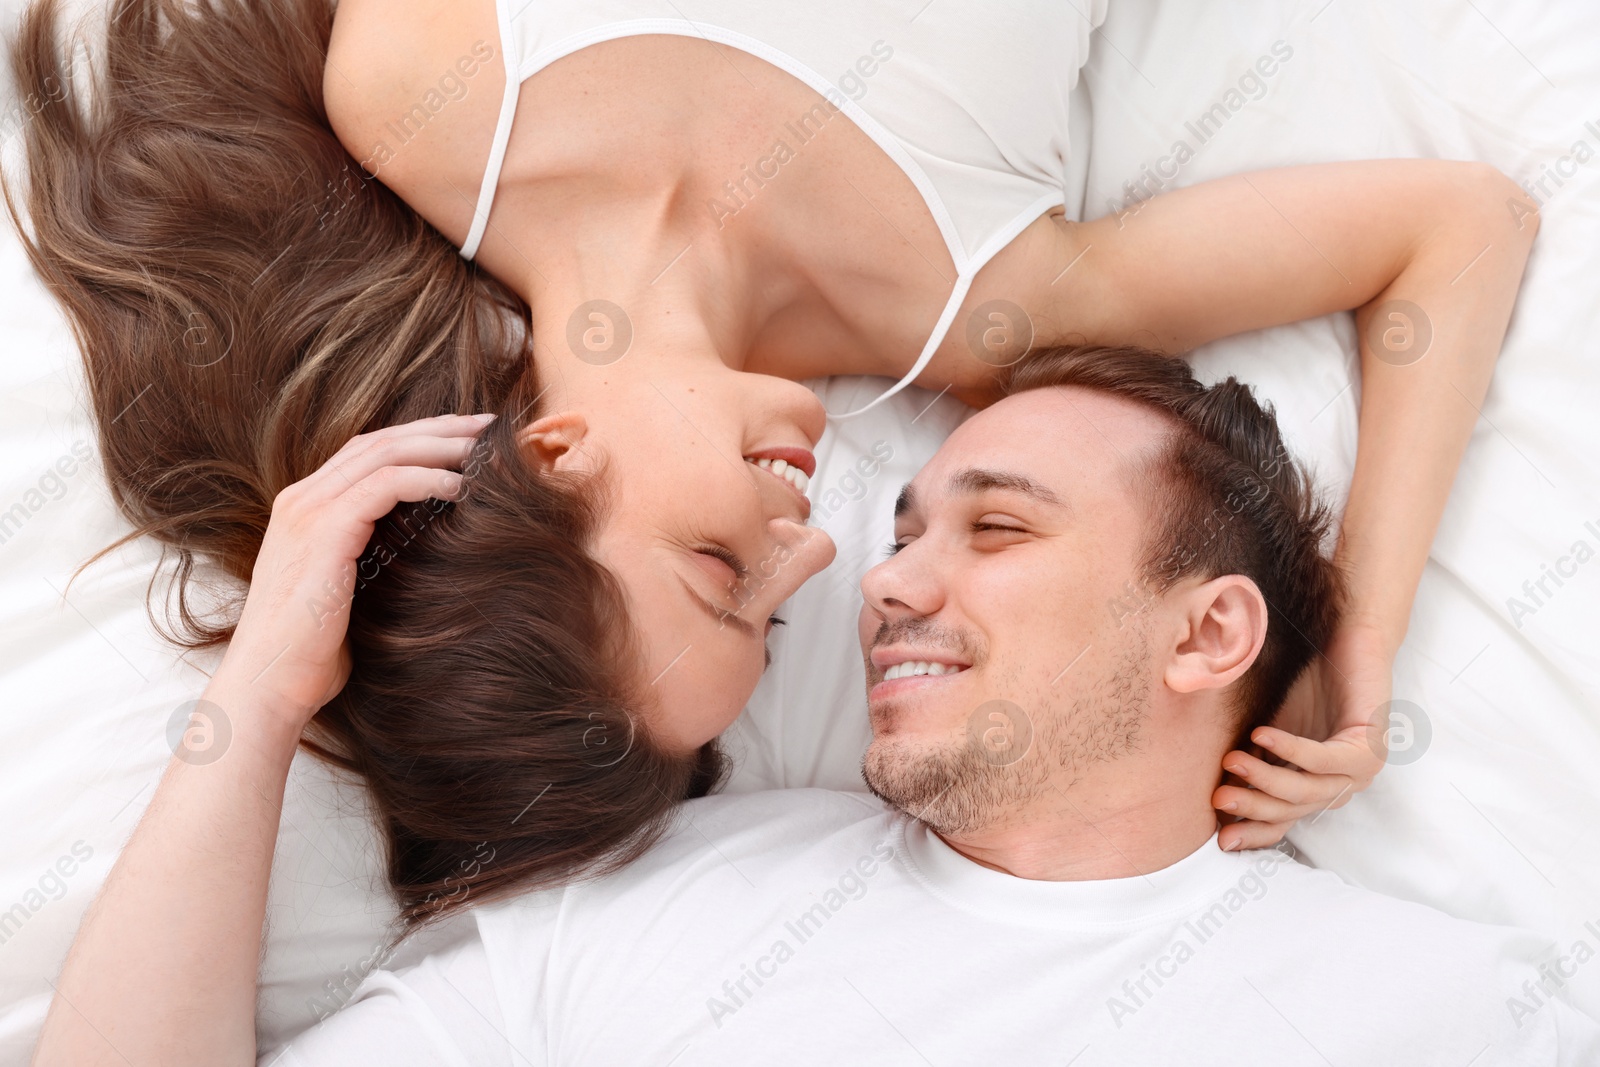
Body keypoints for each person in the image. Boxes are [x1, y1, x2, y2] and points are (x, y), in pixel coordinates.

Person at [13, 0, 1540, 1060]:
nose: (821, 549)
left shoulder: (415, 88)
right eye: (780, 611)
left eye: (717, 572)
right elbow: (1456, 231)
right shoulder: (982, 307)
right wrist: (1355, 639)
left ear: (549, 454)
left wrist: (290, 653)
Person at [248, 347, 1592, 1065]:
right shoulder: (642, 904)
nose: (885, 582)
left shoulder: (1457, 1013)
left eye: (997, 530)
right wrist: (257, 704)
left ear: (1206, 633)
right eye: (900, 534)